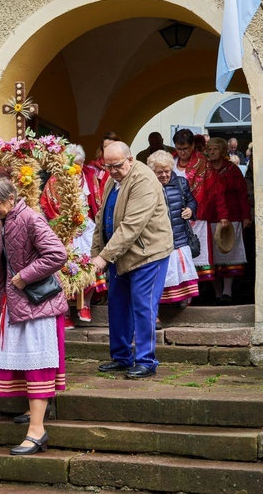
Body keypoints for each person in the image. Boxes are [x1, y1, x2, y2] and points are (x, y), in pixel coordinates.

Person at [0, 177, 67, 456]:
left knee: (37, 366)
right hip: (21, 304)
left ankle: (37, 431)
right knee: (27, 364)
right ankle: (35, 417)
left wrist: (23, 277)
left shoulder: (30, 218)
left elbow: (57, 254)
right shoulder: (7, 220)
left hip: (37, 305)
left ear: (10, 199)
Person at [91, 142, 173, 379]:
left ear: (130, 159)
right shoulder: (112, 180)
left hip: (148, 254)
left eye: (117, 165)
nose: (112, 171)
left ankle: (146, 361)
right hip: (120, 255)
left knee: (143, 305)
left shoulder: (144, 180)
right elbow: (101, 217)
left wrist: (104, 257)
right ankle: (121, 357)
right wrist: (96, 253)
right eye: (108, 166)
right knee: (117, 306)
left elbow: (131, 226)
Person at [40, 143, 99, 323]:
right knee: (63, 269)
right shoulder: (54, 181)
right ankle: (64, 312)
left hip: (86, 229)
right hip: (62, 229)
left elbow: (96, 204)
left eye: (79, 163)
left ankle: (85, 305)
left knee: (89, 264)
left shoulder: (89, 178)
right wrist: (65, 224)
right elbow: (46, 205)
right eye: (72, 162)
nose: (76, 167)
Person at [172, 128, 227, 284]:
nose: (182, 152)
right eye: (179, 148)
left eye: (186, 149)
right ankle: (183, 290)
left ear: (193, 146)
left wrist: (222, 214)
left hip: (197, 216)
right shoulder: (170, 161)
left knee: (197, 252)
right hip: (174, 217)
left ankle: (198, 292)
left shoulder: (203, 163)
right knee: (177, 255)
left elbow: (215, 190)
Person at [148, 151, 200, 308]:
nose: (164, 175)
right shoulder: (148, 186)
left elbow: (192, 201)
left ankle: (182, 301)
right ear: (152, 172)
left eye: (167, 171)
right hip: (158, 238)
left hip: (179, 235)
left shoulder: (181, 183)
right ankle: (160, 305)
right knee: (162, 273)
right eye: (159, 172)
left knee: (180, 269)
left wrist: (190, 210)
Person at [207, 138, 251, 305]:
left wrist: (246, 216)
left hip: (232, 217)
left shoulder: (232, 170)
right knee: (212, 256)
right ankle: (217, 293)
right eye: (209, 149)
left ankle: (227, 292)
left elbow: (242, 194)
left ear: (223, 151)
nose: (211, 152)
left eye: (215, 149)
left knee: (229, 253)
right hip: (209, 217)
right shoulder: (204, 170)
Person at [86, 131, 122, 197]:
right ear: (102, 148)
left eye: (112, 146)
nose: (109, 149)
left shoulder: (124, 166)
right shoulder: (92, 168)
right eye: (106, 146)